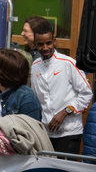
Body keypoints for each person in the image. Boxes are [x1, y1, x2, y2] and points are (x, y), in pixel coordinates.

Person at [31, 22, 93, 154]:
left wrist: (65, 112)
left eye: (48, 43)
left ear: (54, 42)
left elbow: (86, 94)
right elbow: (36, 100)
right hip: (45, 135)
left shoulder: (68, 63)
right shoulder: (34, 67)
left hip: (69, 133)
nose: (45, 47)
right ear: (35, 45)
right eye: (40, 44)